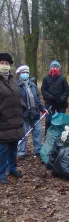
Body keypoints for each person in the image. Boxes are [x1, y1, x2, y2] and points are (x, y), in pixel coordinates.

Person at [0, 53, 25, 184]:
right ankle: (1, 173)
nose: (4, 66)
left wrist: (23, 106)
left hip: (15, 120)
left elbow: (17, 96)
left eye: (6, 64)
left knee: (13, 147)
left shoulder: (12, 79)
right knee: (3, 149)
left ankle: (13, 168)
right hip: (3, 122)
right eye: (2, 63)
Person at [16, 65, 48, 159]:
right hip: (23, 114)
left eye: (27, 73)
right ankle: (21, 152)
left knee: (37, 132)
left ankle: (38, 149)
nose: (25, 74)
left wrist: (42, 108)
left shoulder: (33, 85)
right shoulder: (16, 85)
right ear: (19, 74)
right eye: (23, 73)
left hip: (35, 113)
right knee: (23, 133)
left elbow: (37, 99)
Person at [41, 60, 69, 134]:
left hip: (61, 103)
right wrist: (49, 96)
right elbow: (43, 90)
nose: (55, 68)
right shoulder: (46, 78)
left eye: (57, 67)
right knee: (49, 120)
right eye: (53, 67)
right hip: (50, 103)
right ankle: (48, 135)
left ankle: (61, 135)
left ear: (59, 68)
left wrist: (62, 99)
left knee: (61, 120)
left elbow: (66, 90)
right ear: (50, 68)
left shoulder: (63, 78)